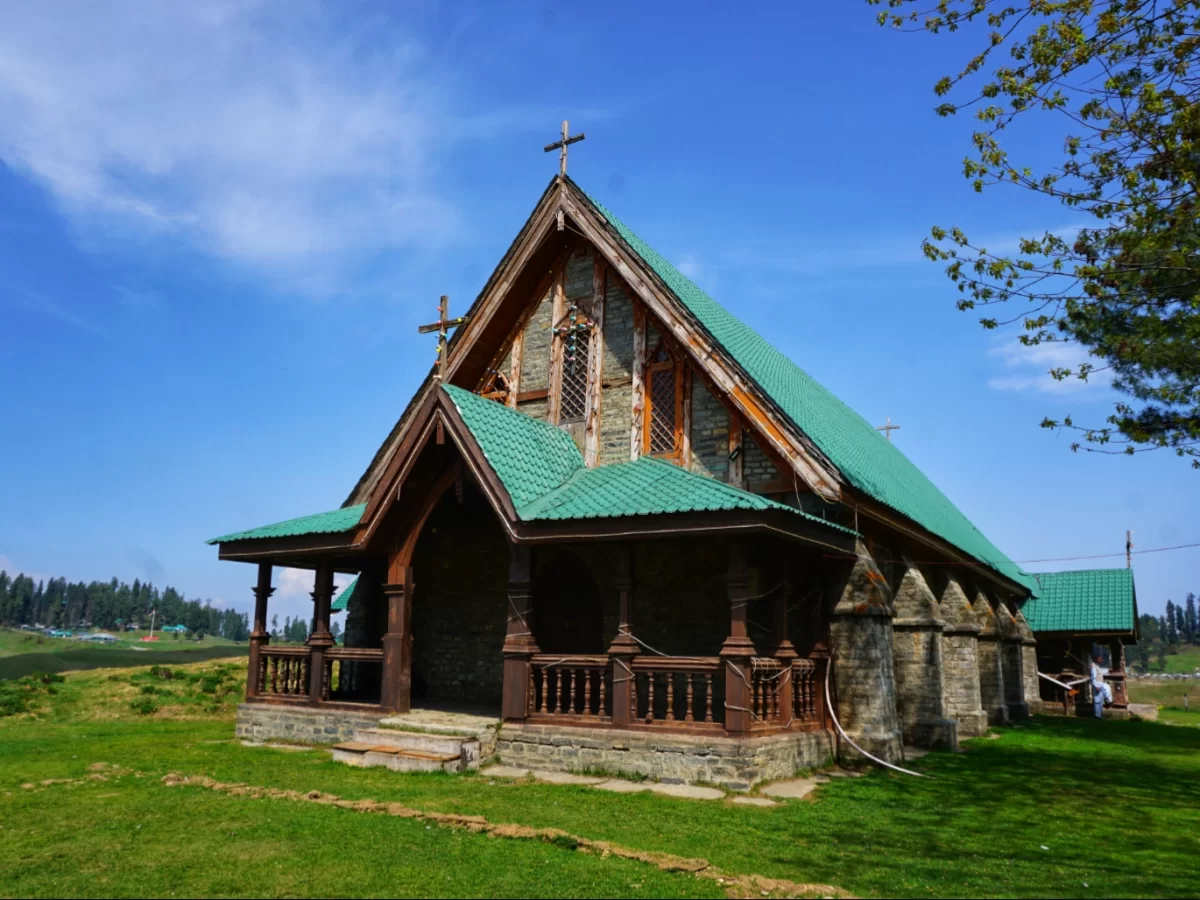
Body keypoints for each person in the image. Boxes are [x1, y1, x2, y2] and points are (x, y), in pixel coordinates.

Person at [1090, 653, 1113, 718]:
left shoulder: (1097, 666)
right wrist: (1096, 686)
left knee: (1100, 700)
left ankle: (1099, 715)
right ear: (1096, 659)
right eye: (1100, 659)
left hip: (1100, 684)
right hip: (1097, 684)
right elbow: (1093, 678)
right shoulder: (1093, 667)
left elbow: (1100, 672)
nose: (1101, 660)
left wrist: (1108, 670)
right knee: (1097, 700)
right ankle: (1108, 701)